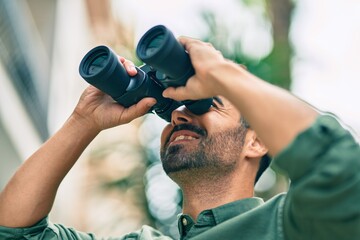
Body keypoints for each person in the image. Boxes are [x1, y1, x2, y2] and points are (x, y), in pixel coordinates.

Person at [0, 37, 359, 240]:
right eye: (175, 108)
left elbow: (342, 170)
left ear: (257, 142)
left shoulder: (292, 224)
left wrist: (220, 73)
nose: (178, 114)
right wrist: (83, 120)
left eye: (206, 104)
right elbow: (14, 231)